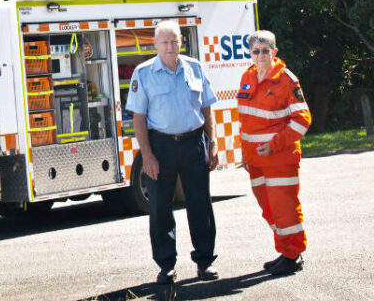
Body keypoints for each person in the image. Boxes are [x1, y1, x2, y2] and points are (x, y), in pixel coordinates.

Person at [126, 21, 219, 285]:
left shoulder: (195, 68)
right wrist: (148, 156)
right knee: (160, 208)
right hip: (161, 147)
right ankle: (166, 265)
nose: (170, 47)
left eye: (174, 41)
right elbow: (139, 118)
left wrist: (212, 143)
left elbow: (207, 108)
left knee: (200, 204)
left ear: (181, 42)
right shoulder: (143, 73)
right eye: (164, 42)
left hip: (194, 143)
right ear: (155, 44)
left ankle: (205, 261)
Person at [237, 30, 311, 275]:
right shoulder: (247, 76)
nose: (260, 56)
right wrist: (245, 154)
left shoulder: (286, 80)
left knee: (284, 208)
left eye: (265, 51)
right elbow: (245, 120)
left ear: (274, 52)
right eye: (256, 51)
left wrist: (275, 145)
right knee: (268, 208)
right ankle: (284, 250)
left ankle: (293, 255)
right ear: (250, 53)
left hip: (279, 158)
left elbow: (302, 120)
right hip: (255, 160)